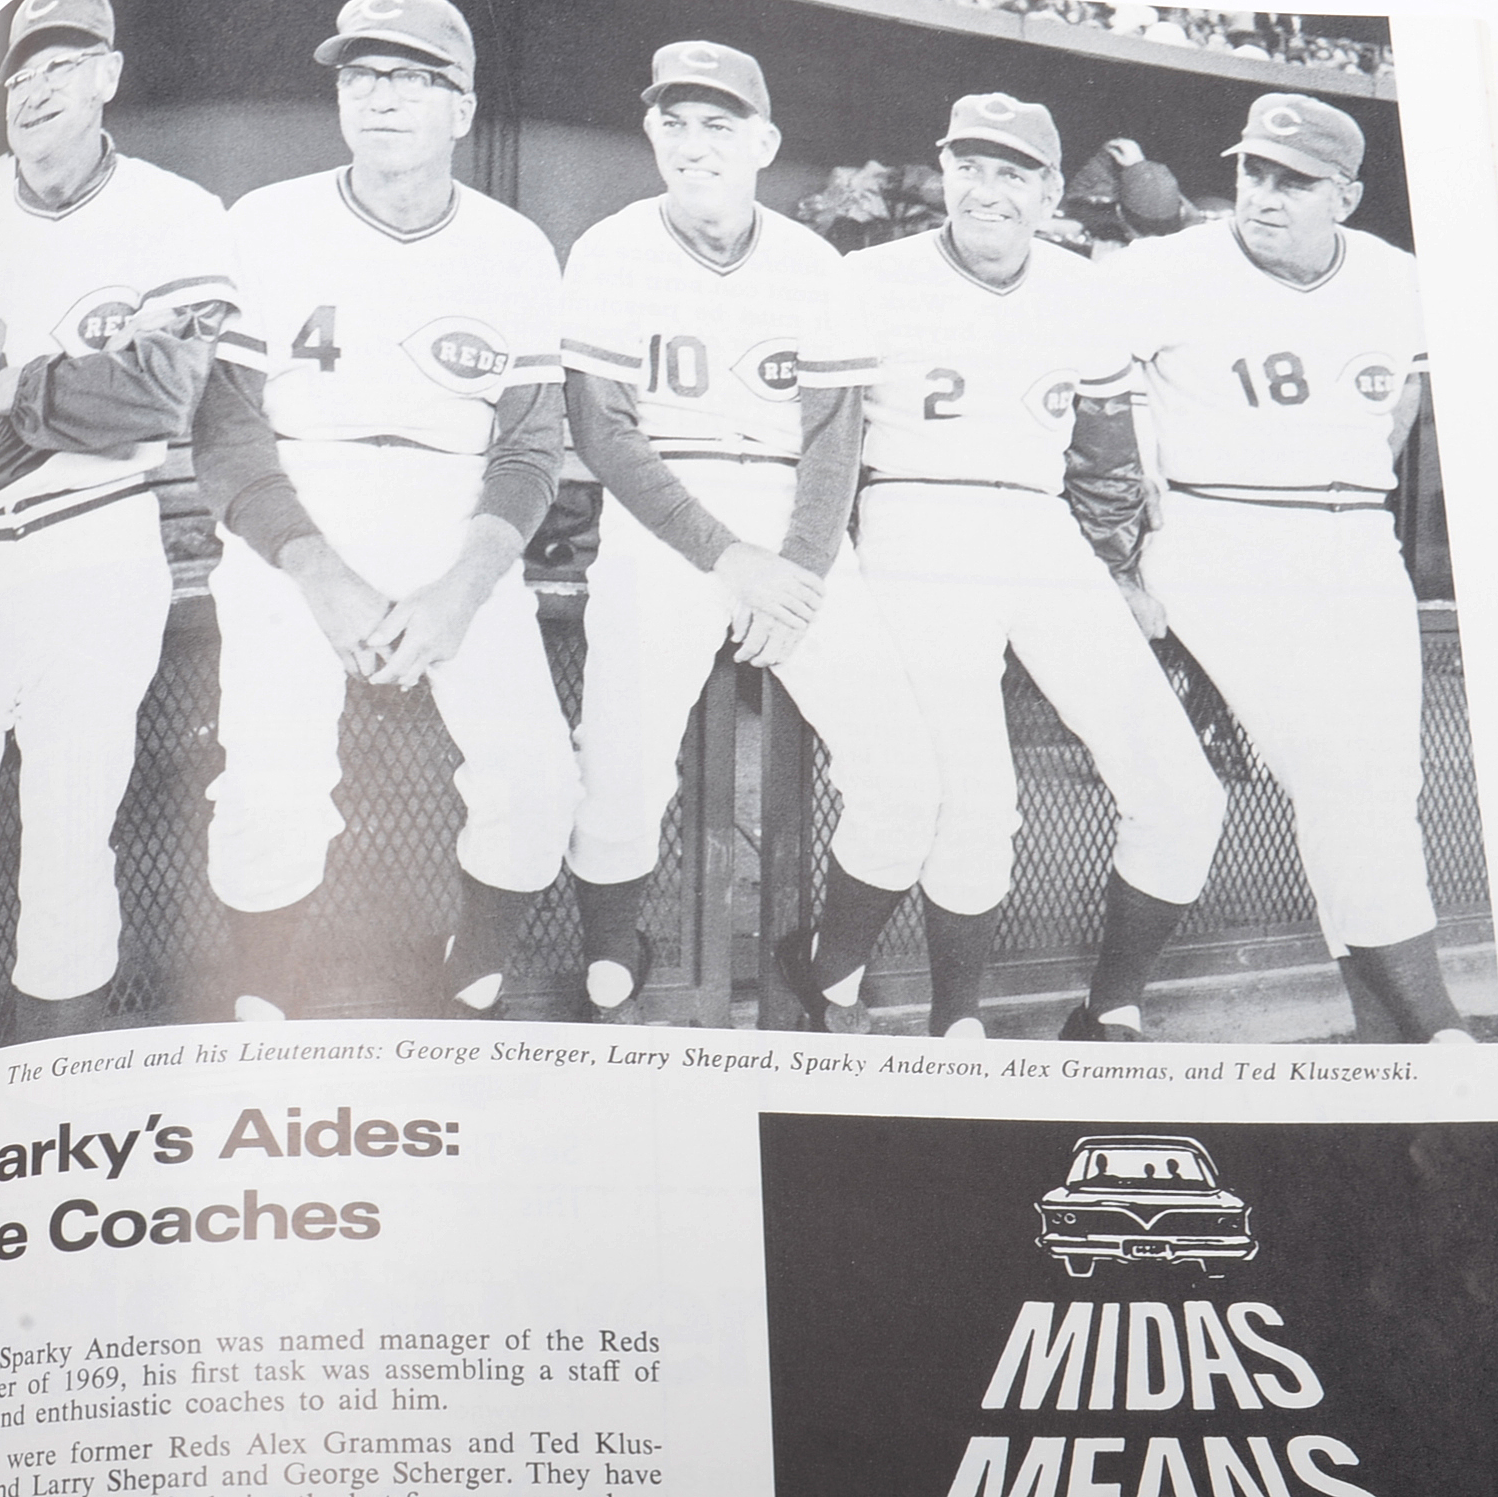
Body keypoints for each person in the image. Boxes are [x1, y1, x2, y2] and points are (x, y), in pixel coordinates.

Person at [795, 93, 1227, 1040]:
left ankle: (1110, 1009)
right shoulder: (868, 276)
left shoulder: (1084, 290)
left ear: (1049, 190)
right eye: (970, 166)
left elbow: (1105, 453)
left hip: (1038, 525)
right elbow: (822, 445)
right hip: (915, 512)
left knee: (1182, 789)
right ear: (945, 171)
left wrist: (1116, 567)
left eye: (1014, 172)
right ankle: (955, 1019)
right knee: (974, 799)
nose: (988, 190)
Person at [193, 0, 578, 1021]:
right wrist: (318, 573)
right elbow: (226, 433)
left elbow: (530, 447)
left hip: (456, 509)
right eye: (361, 74)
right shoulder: (264, 222)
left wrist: (463, 590)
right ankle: (262, 996)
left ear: (464, 109)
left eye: (413, 77)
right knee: (270, 781)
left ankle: (472, 977)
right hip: (298, 505)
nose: (383, 96)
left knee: (538, 781)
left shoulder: (514, 247)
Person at [559, 41, 940, 1028]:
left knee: (903, 778)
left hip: (793, 514)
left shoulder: (813, 264)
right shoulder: (609, 247)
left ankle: (831, 970)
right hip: (664, 516)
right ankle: (611, 967)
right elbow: (603, 432)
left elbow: (834, 438)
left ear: (763, 142)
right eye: (674, 122)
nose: (694, 144)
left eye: (718, 125)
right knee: (619, 773)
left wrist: (799, 572)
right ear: (651, 134)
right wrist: (731, 559)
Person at [1104, 94, 1475, 1043]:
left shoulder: (1398, 279)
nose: (1263, 196)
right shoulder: (1164, 269)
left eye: (1294, 182)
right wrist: (1126, 552)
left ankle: (1387, 1037)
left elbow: (1401, 407)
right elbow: (1101, 408)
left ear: (1344, 198)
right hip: (1221, 533)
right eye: (1253, 172)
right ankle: (1435, 1027)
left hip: (1355, 537)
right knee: (1345, 779)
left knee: (1380, 787)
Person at [0, 0, 238, 1048]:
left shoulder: (175, 211)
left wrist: (11, 391)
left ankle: (51, 1075)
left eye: (61, 66)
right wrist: (64, 392)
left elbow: (161, 395)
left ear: (108, 76)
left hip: (93, 546)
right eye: (20, 74)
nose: (35, 90)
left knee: (69, 847)